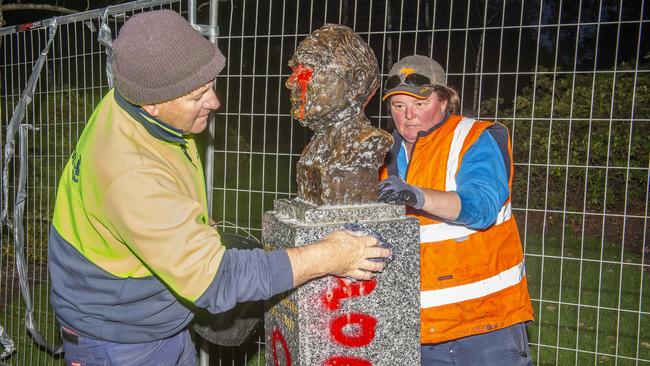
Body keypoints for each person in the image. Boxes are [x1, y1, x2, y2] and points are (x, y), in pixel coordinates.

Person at [48, 10, 390, 366]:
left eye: (212, 84)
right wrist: (331, 256)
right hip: (120, 341)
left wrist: (180, 226)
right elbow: (217, 281)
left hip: (148, 323)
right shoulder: (130, 171)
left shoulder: (133, 105)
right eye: (197, 95)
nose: (214, 102)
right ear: (151, 103)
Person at [377, 55, 534, 365]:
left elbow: (483, 205)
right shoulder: (381, 155)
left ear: (445, 101)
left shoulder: (475, 138)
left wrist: (418, 196)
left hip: (485, 326)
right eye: (398, 105)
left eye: (420, 104)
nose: (408, 115)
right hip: (417, 330)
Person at [285, 23, 392, 205]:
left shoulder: (365, 144)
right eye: (295, 70)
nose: (291, 82)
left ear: (356, 80)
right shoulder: (315, 149)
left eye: (308, 70)